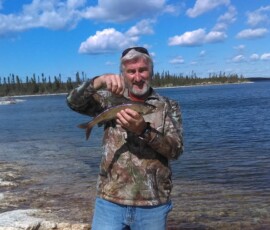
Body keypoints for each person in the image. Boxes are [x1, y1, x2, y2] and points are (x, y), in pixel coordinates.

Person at [67, 47, 184, 230]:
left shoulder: (168, 106)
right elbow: (72, 102)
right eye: (131, 71)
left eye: (142, 70)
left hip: (153, 204)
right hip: (109, 201)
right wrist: (98, 81)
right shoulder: (108, 100)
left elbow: (175, 150)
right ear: (123, 74)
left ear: (151, 71)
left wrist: (144, 130)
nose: (137, 77)